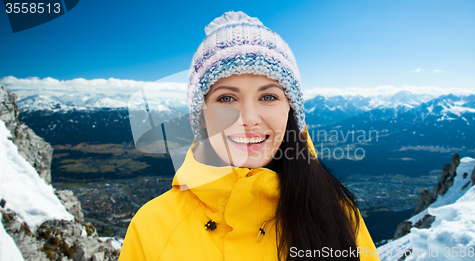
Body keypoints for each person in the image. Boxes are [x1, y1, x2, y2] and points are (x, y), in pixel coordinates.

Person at [119, 11, 380, 261]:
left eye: (268, 96)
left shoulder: (337, 213)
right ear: (202, 114)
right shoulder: (152, 228)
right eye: (226, 98)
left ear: (290, 109)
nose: (249, 118)